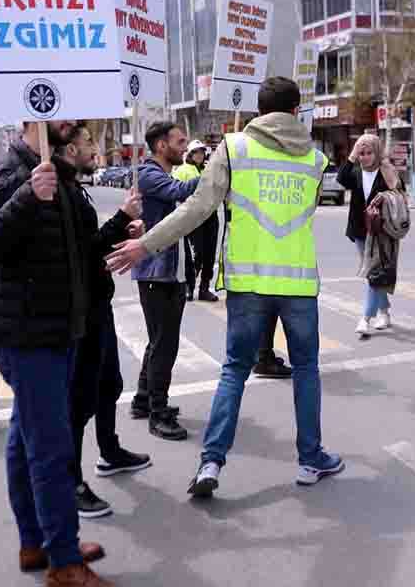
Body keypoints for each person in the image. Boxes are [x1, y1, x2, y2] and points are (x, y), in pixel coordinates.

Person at [106, 77, 344, 498]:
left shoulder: (235, 149)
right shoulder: (314, 158)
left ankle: (211, 462)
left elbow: (197, 208)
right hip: (298, 284)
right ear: (295, 111)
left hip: (248, 282)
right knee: (306, 369)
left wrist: (145, 244)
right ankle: (311, 459)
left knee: (235, 370)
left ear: (259, 110)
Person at [0, 120, 111, 586]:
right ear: (34, 113)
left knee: (25, 438)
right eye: (64, 112)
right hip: (27, 333)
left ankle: (37, 543)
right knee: (50, 448)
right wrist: (28, 195)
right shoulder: (8, 171)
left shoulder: (57, 172)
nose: (74, 122)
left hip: (56, 329)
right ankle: (64, 562)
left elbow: (73, 251)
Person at [55, 125, 152, 521]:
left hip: (97, 303)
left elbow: (92, 245)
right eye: (88, 143)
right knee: (79, 399)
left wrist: (125, 230)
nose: (95, 149)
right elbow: (81, 252)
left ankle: (109, 451)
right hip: (77, 310)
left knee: (109, 383)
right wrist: (122, 217)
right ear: (69, 148)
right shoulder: (58, 191)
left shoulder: (74, 187)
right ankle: (70, 482)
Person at [129, 122, 199, 441]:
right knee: (164, 344)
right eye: (180, 141)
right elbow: (179, 192)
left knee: (158, 340)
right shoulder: (148, 174)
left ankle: (144, 399)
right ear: (161, 145)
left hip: (167, 271)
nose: (185, 147)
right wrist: (216, 173)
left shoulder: (161, 174)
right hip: (156, 273)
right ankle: (158, 413)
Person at [338, 134, 402, 336]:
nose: (365, 157)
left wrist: (385, 197)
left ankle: (366, 318)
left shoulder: (387, 171)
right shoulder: (356, 172)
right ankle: (384, 311)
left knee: (373, 272)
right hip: (360, 230)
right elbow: (341, 178)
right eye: (362, 153)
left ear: (377, 153)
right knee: (373, 273)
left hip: (381, 231)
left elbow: (400, 195)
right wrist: (352, 155)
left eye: (369, 153)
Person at [173, 140, 220, 302]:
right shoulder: (182, 170)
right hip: (193, 217)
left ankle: (204, 289)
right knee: (196, 254)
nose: (199, 155)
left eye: (201, 152)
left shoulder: (208, 169)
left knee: (209, 255)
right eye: (196, 152)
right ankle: (189, 287)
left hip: (210, 216)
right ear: (190, 154)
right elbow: (176, 191)